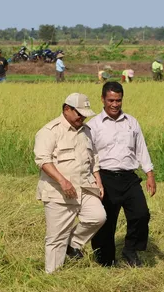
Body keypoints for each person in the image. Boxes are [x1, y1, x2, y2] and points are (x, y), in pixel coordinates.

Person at [33, 93, 106, 274]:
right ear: (67, 109)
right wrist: (63, 181)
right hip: (58, 191)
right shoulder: (50, 131)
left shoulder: (86, 131)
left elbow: (93, 159)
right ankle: (53, 276)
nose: (82, 117)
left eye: (84, 114)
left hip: (85, 187)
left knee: (98, 216)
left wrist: (99, 181)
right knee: (56, 237)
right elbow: (43, 160)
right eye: (78, 113)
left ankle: (73, 244)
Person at [88, 82, 156, 268]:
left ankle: (130, 250)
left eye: (118, 100)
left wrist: (149, 174)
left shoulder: (131, 122)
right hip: (104, 178)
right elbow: (88, 155)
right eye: (111, 100)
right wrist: (93, 181)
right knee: (106, 221)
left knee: (141, 214)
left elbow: (141, 148)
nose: (115, 104)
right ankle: (105, 259)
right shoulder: (93, 125)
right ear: (102, 99)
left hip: (129, 177)